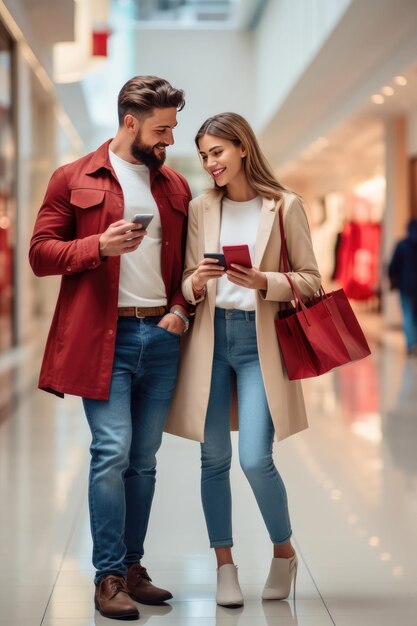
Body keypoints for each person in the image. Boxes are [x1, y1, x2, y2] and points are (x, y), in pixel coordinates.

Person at [29, 76, 191, 621]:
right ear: (130, 122)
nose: (170, 138)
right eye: (161, 128)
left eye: (172, 127)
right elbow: (40, 253)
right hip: (106, 338)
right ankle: (108, 576)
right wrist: (97, 245)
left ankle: (134, 568)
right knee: (112, 452)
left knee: (143, 462)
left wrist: (179, 310)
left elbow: (187, 264)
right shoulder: (73, 177)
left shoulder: (173, 187)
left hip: (161, 337)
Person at [165, 112, 321, 607]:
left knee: (256, 458)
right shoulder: (200, 208)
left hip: (261, 345)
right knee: (213, 459)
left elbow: (313, 281)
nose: (211, 163)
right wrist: (198, 281)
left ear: (243, 149)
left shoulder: (283, 206)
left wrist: (264, 282)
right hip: (211, 343)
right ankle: (224, 566)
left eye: (218, 152)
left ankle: (284, 552)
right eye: (206, 154)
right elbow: (188, 282)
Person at [388, 218, 417, 356]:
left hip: (406, 285)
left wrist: (393, 278)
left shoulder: (402, 245)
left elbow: (392, 266)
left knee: (408, 314)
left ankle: (411, 344)